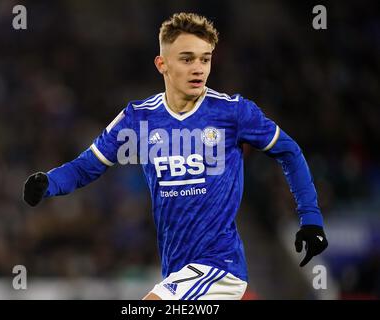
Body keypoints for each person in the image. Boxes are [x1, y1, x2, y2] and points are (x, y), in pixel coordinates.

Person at [23, 12, 328, 300]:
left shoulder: (233, 112)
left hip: (220, 267)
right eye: (187, 59)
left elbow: (289, 150)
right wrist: (49, 182)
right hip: (176, 269)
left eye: (205, 59)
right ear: (162, 64)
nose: (198, 68)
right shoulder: (137, 118)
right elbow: (87, 166)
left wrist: (311, 219)